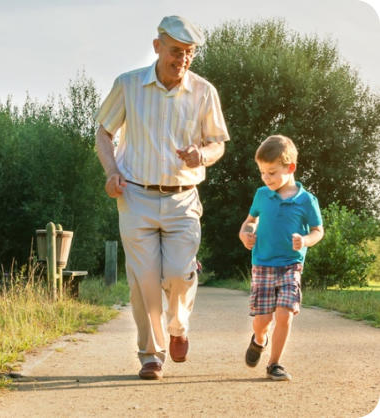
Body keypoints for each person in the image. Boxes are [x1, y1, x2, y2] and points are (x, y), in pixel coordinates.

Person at [95, 15, 230, 380]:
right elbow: (104, 133)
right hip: (136, 195)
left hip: (183, 198)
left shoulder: (204, 92)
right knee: (145, 280)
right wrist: (111, 172)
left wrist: (202, 155)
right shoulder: (128, 85)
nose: (182, 60)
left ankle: (179, 326)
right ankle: (151, 355)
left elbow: (217, 142)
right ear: (157, 47)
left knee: (178, 274)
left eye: (189, 53)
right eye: (175, 51)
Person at [238, 135, 324, 381]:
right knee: (262, 320)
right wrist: (246, 234)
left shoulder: (307, 200)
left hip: (291, 265)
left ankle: (274, 363)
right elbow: (249, 221)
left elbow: (318, 231)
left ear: (290, 168)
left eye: (272, 172)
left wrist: (305, 240)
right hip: (263, 264)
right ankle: (259, 339)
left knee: (285, 314)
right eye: (263, 173)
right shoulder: (262, 195)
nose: (267, 178)